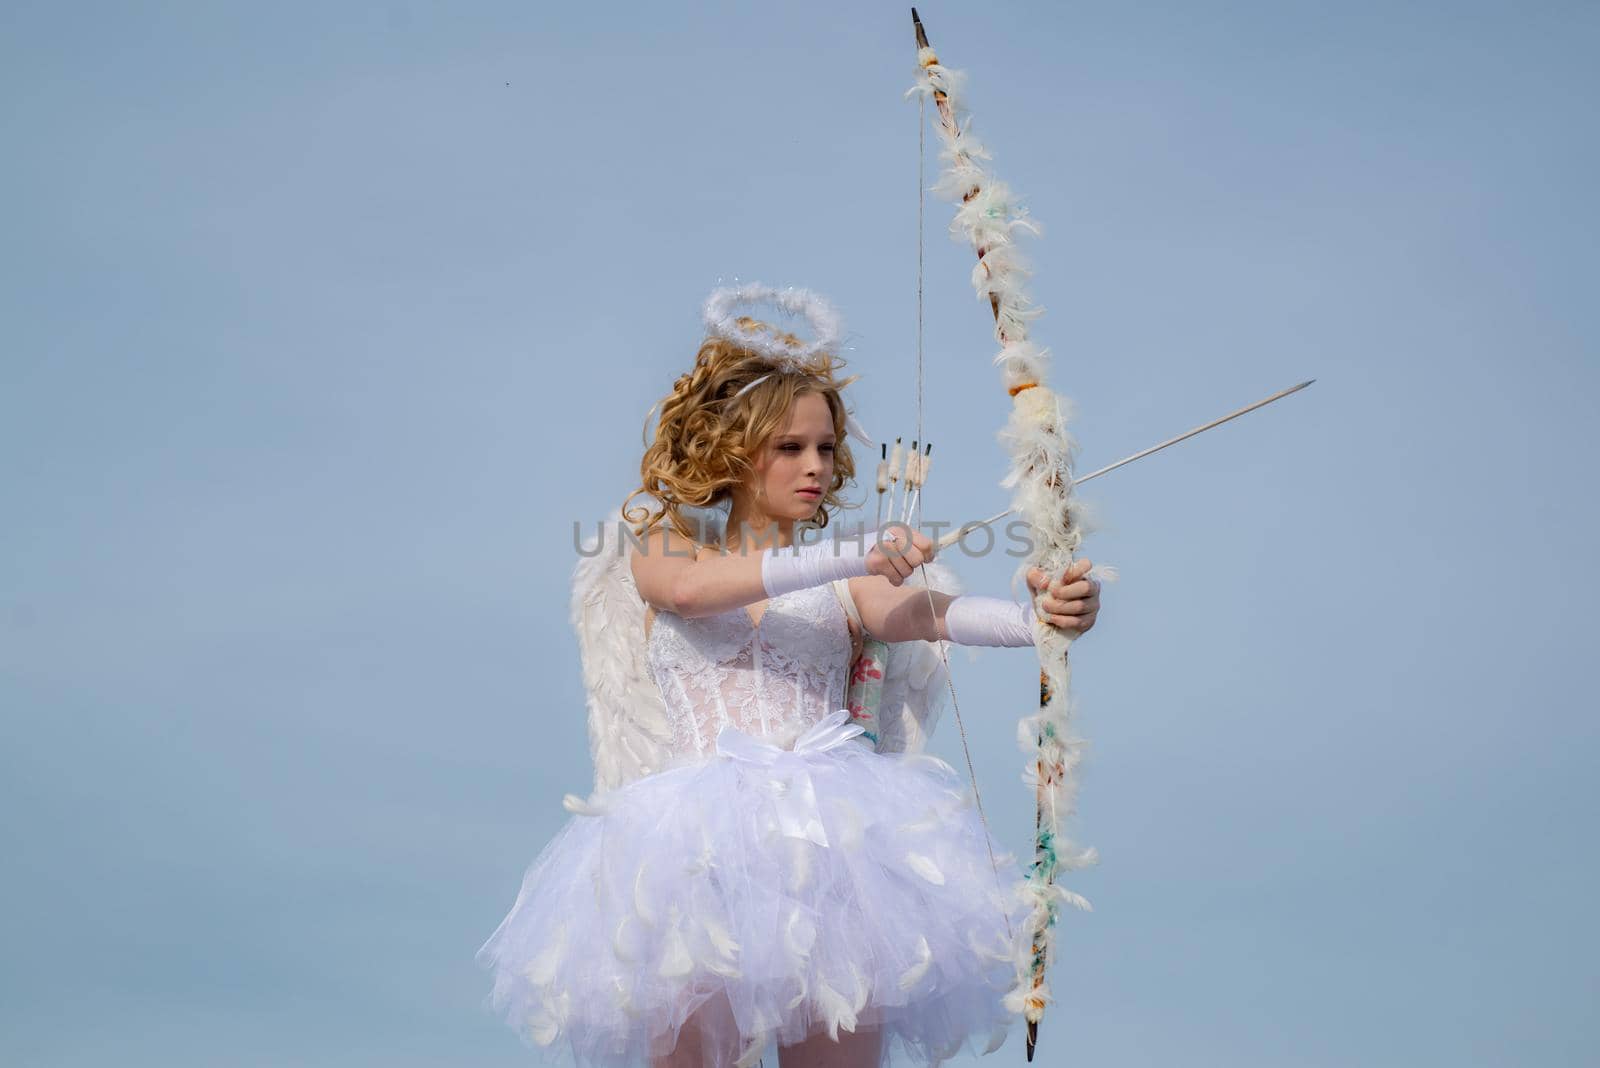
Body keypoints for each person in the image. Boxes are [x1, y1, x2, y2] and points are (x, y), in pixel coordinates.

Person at [477, 290, 1102, 1068]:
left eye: (827, 448)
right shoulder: (660, 541)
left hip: (837, 844)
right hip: (695, 849)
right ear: (734, 451)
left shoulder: (851, 579)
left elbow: (934, 617)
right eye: (789, 447)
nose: (815, 466)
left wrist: (1041, 616)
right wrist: (854, 554)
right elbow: (687, 593)